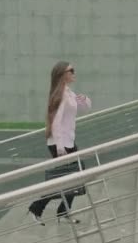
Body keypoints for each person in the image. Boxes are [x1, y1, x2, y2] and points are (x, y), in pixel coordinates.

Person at [28, 61, 91, 225]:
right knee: (65, 179)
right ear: (62, 75)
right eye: (71, 70)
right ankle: (36, 208)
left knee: (74, 178)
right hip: (60, 143)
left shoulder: (68, 92)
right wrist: (60, 146)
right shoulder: (60, 94)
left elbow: (85, 108)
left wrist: (84, 99)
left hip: (69, 141)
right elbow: (55, 122)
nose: (74, 73)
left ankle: (63, 213)